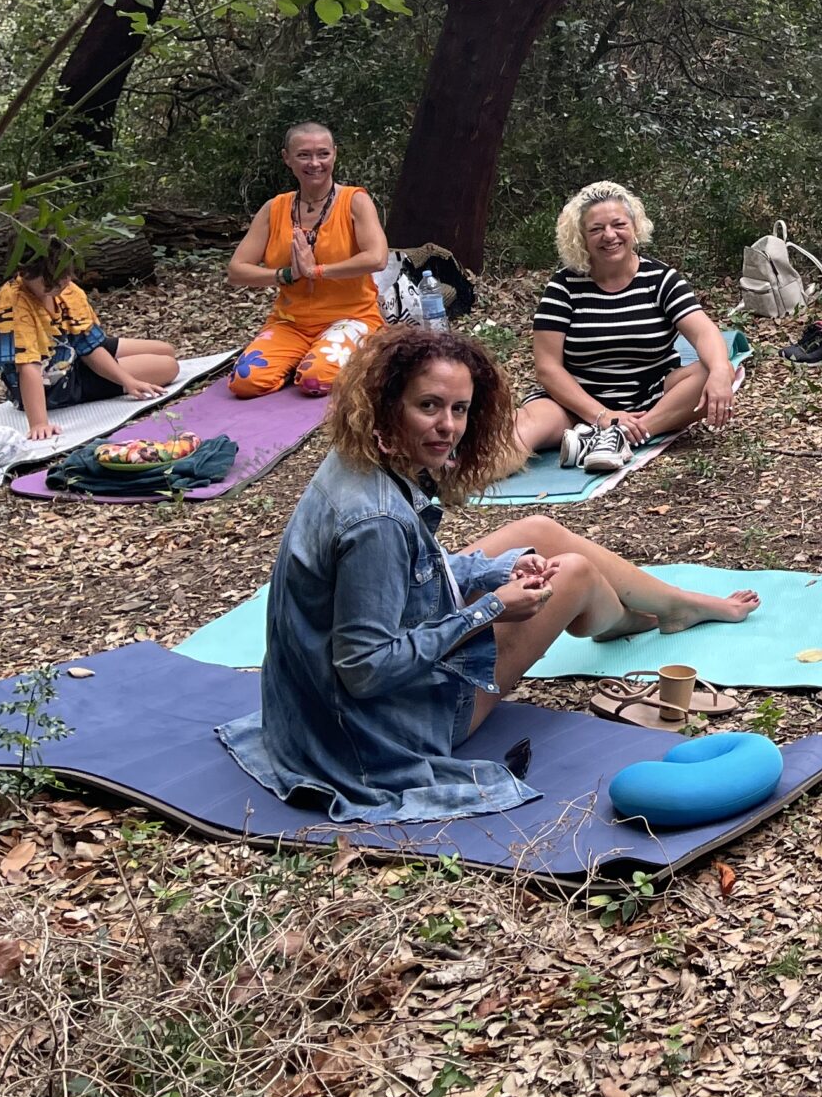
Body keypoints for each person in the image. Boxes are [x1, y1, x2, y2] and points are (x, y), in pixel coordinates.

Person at [217, 326, 760, 824]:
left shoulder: (357, 457)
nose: (448, 426)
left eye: (459, 408)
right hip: (376, 731)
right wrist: (491, 606)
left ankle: (661, 607)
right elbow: (365, 669)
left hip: (313, 708)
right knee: (569, 574)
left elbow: (404, 578)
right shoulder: (376, 519)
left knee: (539, 532)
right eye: (428, 406)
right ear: (386, 405)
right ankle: (628, 617)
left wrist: (494, 570)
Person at [514, 181, 739, 473]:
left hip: (652, 398)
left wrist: (721, 371)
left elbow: (703, 331)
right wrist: (600, 414)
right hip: (576, 404)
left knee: (715, 369)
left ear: (634, 227)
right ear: (581, 237)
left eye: (618, 224)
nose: (609, 236)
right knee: (520, 431)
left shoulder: (661, 279)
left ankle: (620, 437)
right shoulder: (564, 286)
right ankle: (451, 478)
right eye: (596, 229)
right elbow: (547, 367)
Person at [224, 122, 389, 398]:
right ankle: (300, 358)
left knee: (316, 380)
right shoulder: (274, 208)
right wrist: (287, 275)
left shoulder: (354, 201)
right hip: (290, 321)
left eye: (323, 154)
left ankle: (333, 355)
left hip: (351, 317)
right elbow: (236, 271)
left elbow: (377, 258)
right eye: (304, 155)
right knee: (245, 382)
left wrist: (317, 271)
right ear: (287, 158)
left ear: (334, 154)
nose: (315, 163)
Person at [0, 247, 181, 439]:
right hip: (55, 382)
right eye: (52, 280)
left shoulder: (67, 290)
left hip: (70, 351)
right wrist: (39, 423)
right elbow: (28, 367)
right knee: (168, 367)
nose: (63, 282)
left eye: (65, 275)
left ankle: (120, 374)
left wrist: (126, 380)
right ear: (24, 273)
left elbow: (88, 346)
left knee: (165, 350)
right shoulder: (12, 303)